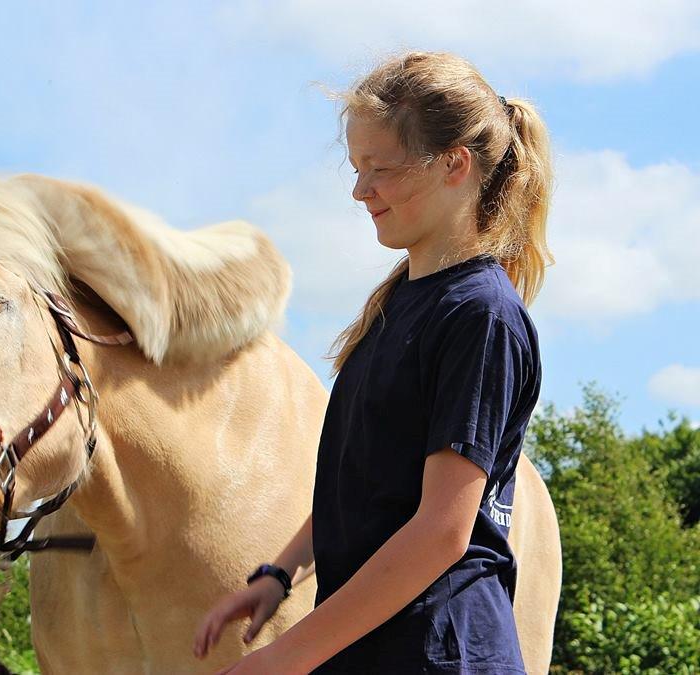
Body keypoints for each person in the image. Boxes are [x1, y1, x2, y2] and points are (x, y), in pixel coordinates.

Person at [192, 50, 553, 674]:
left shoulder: (482, 315)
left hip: (440, 652)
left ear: (455, 164)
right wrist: (280, 574)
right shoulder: (395, 304)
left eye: (381, 169)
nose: (360, 191)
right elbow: (369, 485)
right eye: (357, 169)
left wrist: (285, 658)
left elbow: (442, 532)